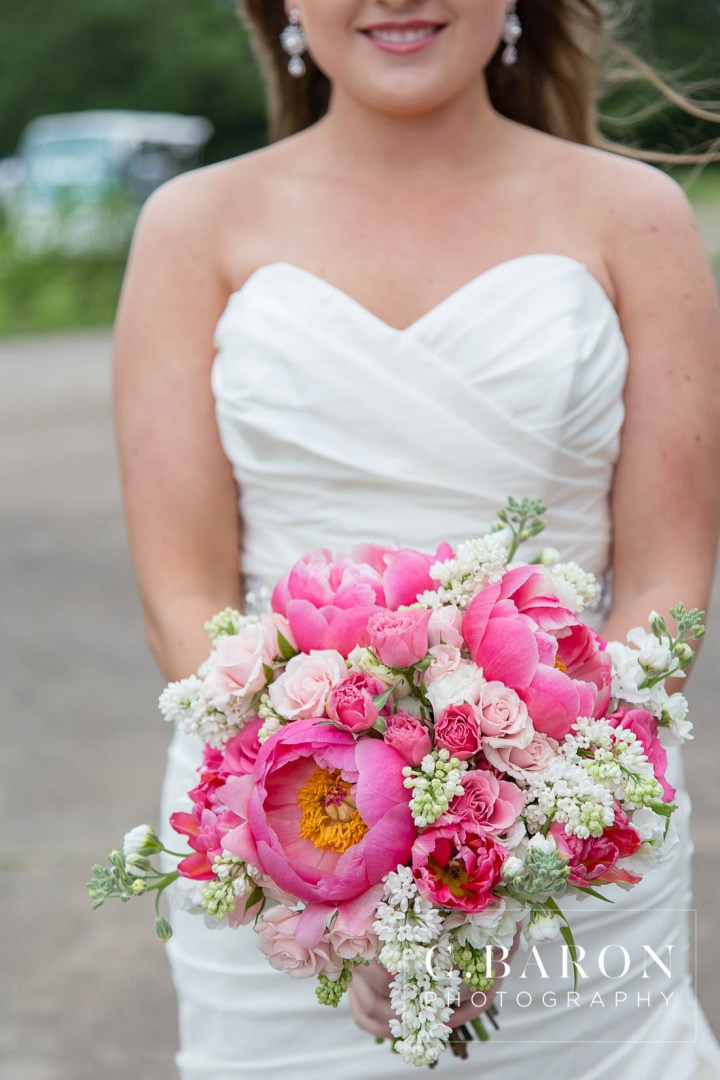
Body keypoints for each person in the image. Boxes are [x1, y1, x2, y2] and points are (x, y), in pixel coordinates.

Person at [112, 1, 720, 1077]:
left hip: (579, 848)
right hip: (275, 835)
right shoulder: (192, 225)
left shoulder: (637, 216)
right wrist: (332, 858)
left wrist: (539, 823)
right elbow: (181, 593)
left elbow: (670, 579)